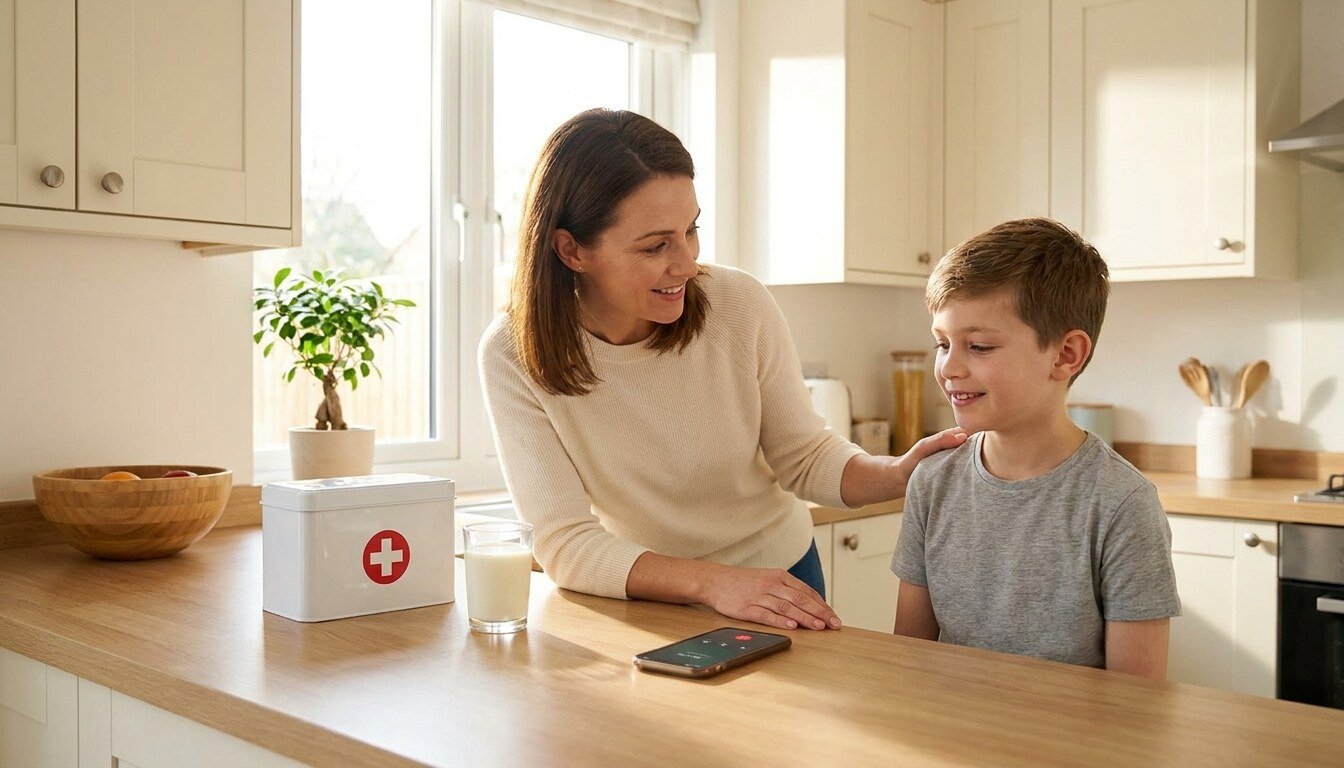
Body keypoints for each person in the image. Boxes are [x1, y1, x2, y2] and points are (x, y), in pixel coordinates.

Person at [479, 108, 965, 632]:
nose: (687, 263)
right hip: (645, 598)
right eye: (655, 245)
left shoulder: (738, 303)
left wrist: (897, 475)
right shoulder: (513, 352)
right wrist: (712, 582)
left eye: (691, 231)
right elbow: (565, 542)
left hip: (778, 583)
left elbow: (803, 457)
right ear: (571, 249)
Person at [890, 218, 1181, 678]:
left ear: (1066, 355)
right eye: (942, 344)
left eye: (980, 346)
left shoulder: (1121, 504)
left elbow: (1136, 703)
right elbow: (910, 658)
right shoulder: (933, 480)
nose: (949, 368)